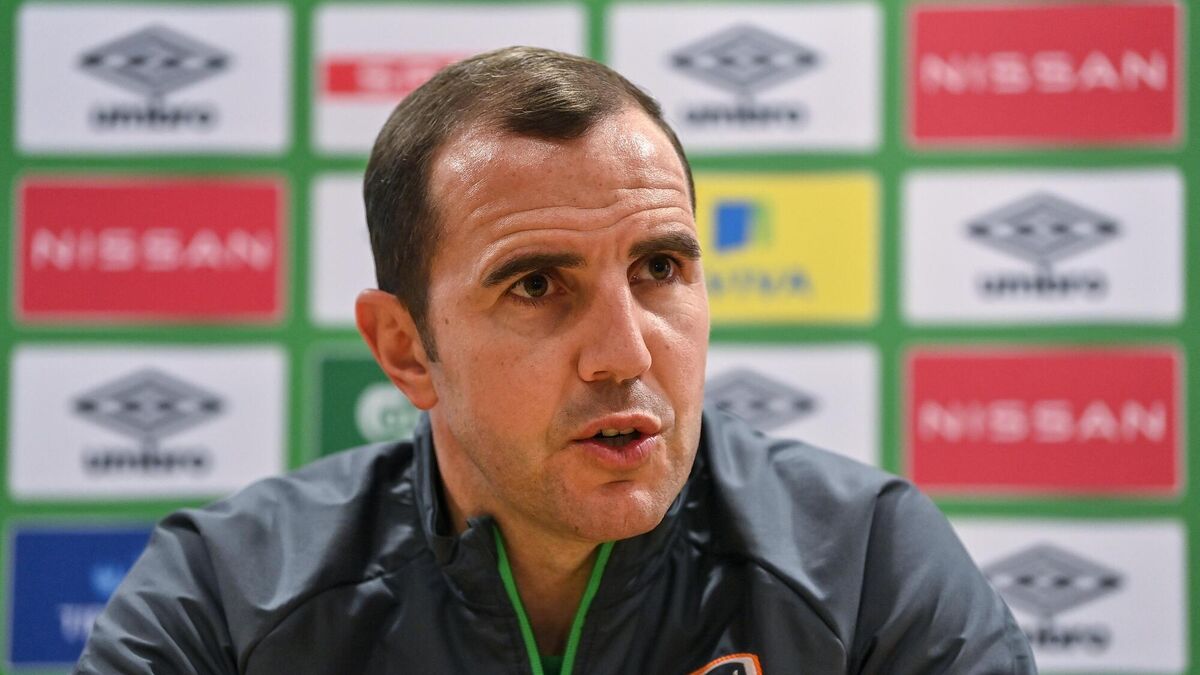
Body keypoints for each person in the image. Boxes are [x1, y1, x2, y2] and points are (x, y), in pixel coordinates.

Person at [75, 47, 1035, 675]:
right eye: (536, 284)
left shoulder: (866, 563)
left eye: (660, 268)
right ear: (406, 349)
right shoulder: (228, 597)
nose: (625, 351)